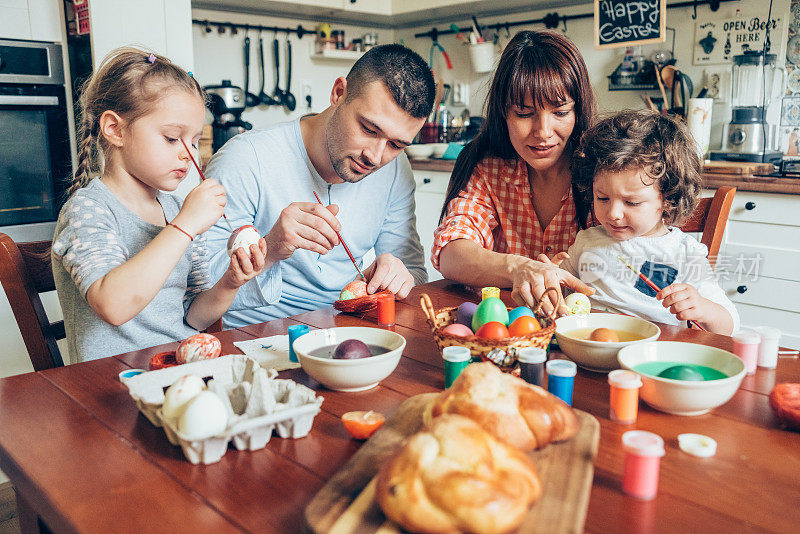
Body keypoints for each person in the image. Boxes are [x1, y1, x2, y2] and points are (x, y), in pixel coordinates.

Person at [52, 48, 268, 362]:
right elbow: (113, 306)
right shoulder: (88, 210)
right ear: (115, 129)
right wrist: (185, 226)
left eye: (194, 141)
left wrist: (231, 282)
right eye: (171, 138)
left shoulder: (178, 209)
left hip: (176, 371)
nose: (188, 154)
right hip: (112, 388)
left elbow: (192, 318)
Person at [203, 44, 435, 326]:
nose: (375, 156)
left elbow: (414, 274)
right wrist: (271, 247)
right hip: (253, 337)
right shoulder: (245, 159)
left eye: (396, 144)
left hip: (346, 329)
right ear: (339, 93)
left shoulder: (396, 170)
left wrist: (394, 276)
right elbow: (200, 288)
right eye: (369, 129)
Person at [432, 30, 596, 314]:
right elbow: (451, 253)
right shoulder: (488, 168)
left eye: (560, 112)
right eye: (524, 113)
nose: (543, 133)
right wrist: (519, 267)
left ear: (578, 111)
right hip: (504, 334)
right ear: (503, 112)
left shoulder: (602, 172)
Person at [555, 110, 739, 334]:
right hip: (589, 348)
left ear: (668, 199)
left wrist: (704, 308)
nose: (613, 213)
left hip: (654, 356)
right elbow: (560, 294)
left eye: (631, 203)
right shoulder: (587, 241)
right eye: (602, 198)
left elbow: (730, 326)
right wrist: (551, 275)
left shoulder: (685, 253)